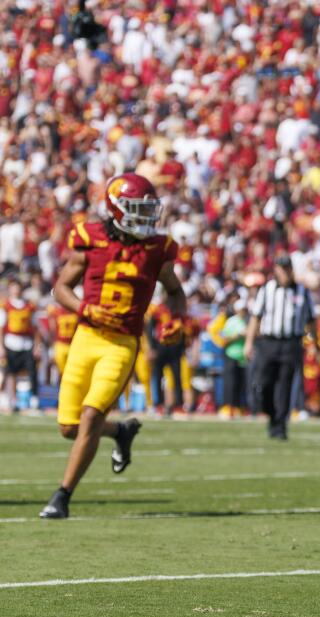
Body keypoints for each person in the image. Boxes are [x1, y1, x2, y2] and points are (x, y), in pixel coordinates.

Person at [40, 173, 186, 519]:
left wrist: (175, 319)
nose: (147, 217)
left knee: (90, 416)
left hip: (122, 343)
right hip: (86, 337)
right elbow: (60, 288)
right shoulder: (89, 238)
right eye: (138, 209)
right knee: (69, 427)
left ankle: (62, 496)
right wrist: (85, 308)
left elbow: (175, 291)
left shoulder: (156, 248)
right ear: (116, 208)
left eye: (150, 210)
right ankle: (121, 431)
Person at [244, 255, 315, 440]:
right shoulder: (267, 290)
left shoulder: (302, 292)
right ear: (276, 270)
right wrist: (249, 342)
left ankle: (280, 425)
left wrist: (313, 342)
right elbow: (255, 317)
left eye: (287, 268)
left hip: (291, 343)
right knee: (263, 384)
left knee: (285, 385)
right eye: (281, 268)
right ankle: (271, 414)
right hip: (269, 342)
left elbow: (311, 321)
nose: (284, 272)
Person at [1, 278, 39, 412]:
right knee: (10, 372)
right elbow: (1, 327)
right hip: (11, 342)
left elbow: (35, 328)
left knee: (32, 371)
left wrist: (36, 345)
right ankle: (10, 399)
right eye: (13, 287)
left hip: (26, 343)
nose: (15, 289)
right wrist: (1, 347)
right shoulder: (5, 305)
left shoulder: (30, 306)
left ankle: (33, 400)